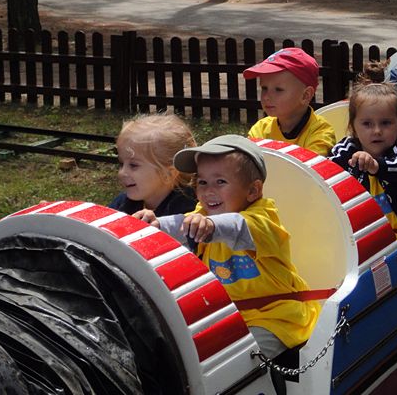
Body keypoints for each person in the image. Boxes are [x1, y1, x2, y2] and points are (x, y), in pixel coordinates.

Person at [133, 134, 320, 360]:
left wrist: (209, 225)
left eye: (220, 182)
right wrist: (156, 224)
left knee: (241, 361)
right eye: (202, 182)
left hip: (275, 316)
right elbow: (183, 224)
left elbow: (237, 228)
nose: (208, 191)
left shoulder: (264, 218)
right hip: (228, 315)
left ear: (253, 191)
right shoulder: (204, 213)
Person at [328, 81, 397, 267]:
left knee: (396, 265)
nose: (377, 131)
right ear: (353, 127)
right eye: (367, 124)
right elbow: (329, 170)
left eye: (386, 123)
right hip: (361, 235)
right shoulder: (345, 149)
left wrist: (376, 165)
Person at [244, 47, 335, 156]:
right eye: (264, 88)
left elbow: (309, 166)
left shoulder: (320, 133)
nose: (266, 97)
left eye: (278, 89)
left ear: (305, 95)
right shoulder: (261, 129)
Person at [108, 114, 197, 216]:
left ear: (168, 174)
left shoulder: (187, 212)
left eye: (133, 165)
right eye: (121, 164)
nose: (122, 172)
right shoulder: (123, 203)